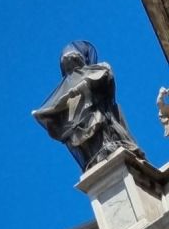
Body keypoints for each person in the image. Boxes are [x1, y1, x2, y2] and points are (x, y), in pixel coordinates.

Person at [33, 41, 142, 174]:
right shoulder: (66, 90)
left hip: (102, 119)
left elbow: (103, 77)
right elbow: (59, 109)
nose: (71, 67)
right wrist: (45, 112)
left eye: (73, 60)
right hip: (82, 130)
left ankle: (108, 153)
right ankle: (97, 162)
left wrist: (81, 87)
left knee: (103, 136)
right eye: (67, 64)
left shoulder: (99, 68)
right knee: (90, 148)